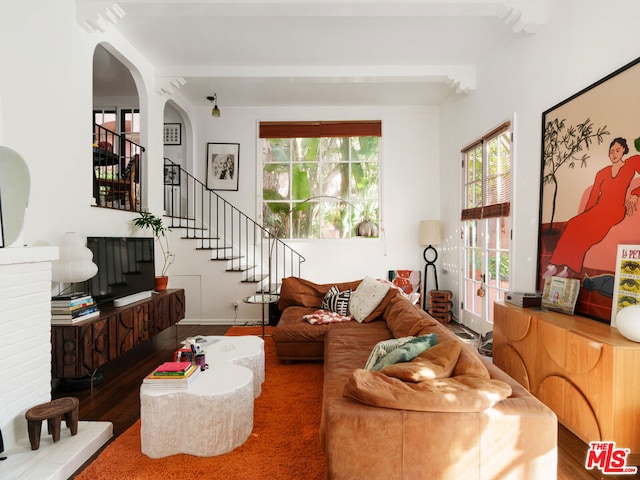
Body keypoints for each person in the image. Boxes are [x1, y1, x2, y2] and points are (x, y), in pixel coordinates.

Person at [544, 137, 640, 277]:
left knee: (588, 233)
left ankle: (566, 268)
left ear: (624, 150)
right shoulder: (602, 172)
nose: (614, 154)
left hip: (615, 210)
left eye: (617, 150)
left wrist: (636, 194)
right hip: (598, 208)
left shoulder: (632, 163)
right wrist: (584, 215)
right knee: (573, 223)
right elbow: (593, 196)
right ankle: (556, 264)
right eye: (611, 151)